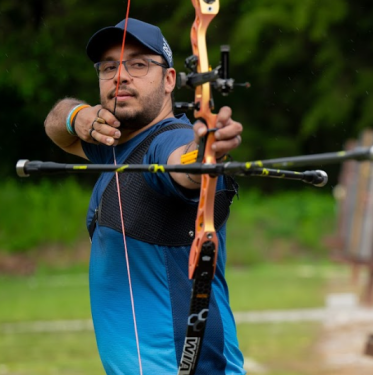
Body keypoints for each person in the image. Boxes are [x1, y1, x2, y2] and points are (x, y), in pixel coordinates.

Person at [43, 18, 245, 374]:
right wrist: (79, 116)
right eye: (109, 67)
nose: (121, 76)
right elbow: (56, 122)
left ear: (169, 80)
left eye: (138, 64)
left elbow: (181, 165)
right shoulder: (113, 146)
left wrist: (205, 151)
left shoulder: (166, 140)